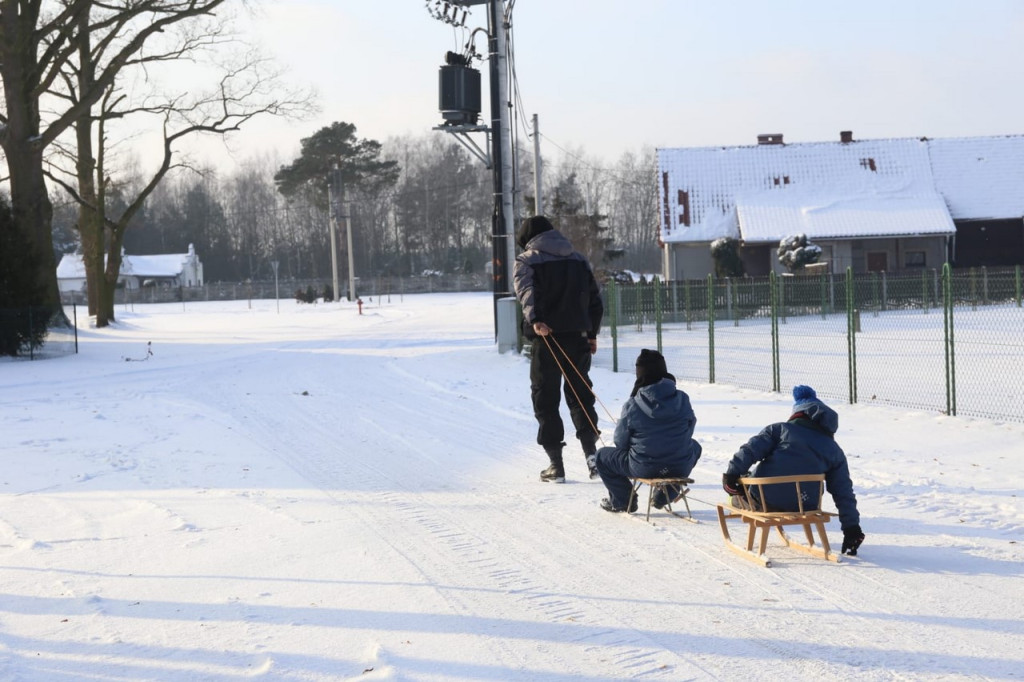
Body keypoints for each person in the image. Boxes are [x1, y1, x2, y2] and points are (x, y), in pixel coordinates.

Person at [722, 385, 865, 556]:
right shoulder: (834, 450)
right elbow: (844, 491)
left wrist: (731, 474)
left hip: (763, 501)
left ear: (797, 414)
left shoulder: (780, 430)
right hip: (805, 505)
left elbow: (750, 450)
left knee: (737, 492)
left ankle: (733, 499)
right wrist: (852, 528)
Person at [512, 215, 604, 483]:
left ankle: (556, 464)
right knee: (580, 394)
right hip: (578, 338)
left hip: (547, 338)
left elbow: (525, 290)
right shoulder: (577, 258)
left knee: (545, 398)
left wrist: (535, 319)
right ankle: (592, 457)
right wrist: (592, 333)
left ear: (528, 239)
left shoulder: (527, 260)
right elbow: (594, 298)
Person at [594, 349, 702, 512]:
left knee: (601, 456)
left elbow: (620, 442)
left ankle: (623, 500)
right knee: (695, 446)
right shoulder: (682, 398)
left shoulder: (633, 404)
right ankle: (664, 495)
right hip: (680, 465)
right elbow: (689, 427)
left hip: (644, 466)